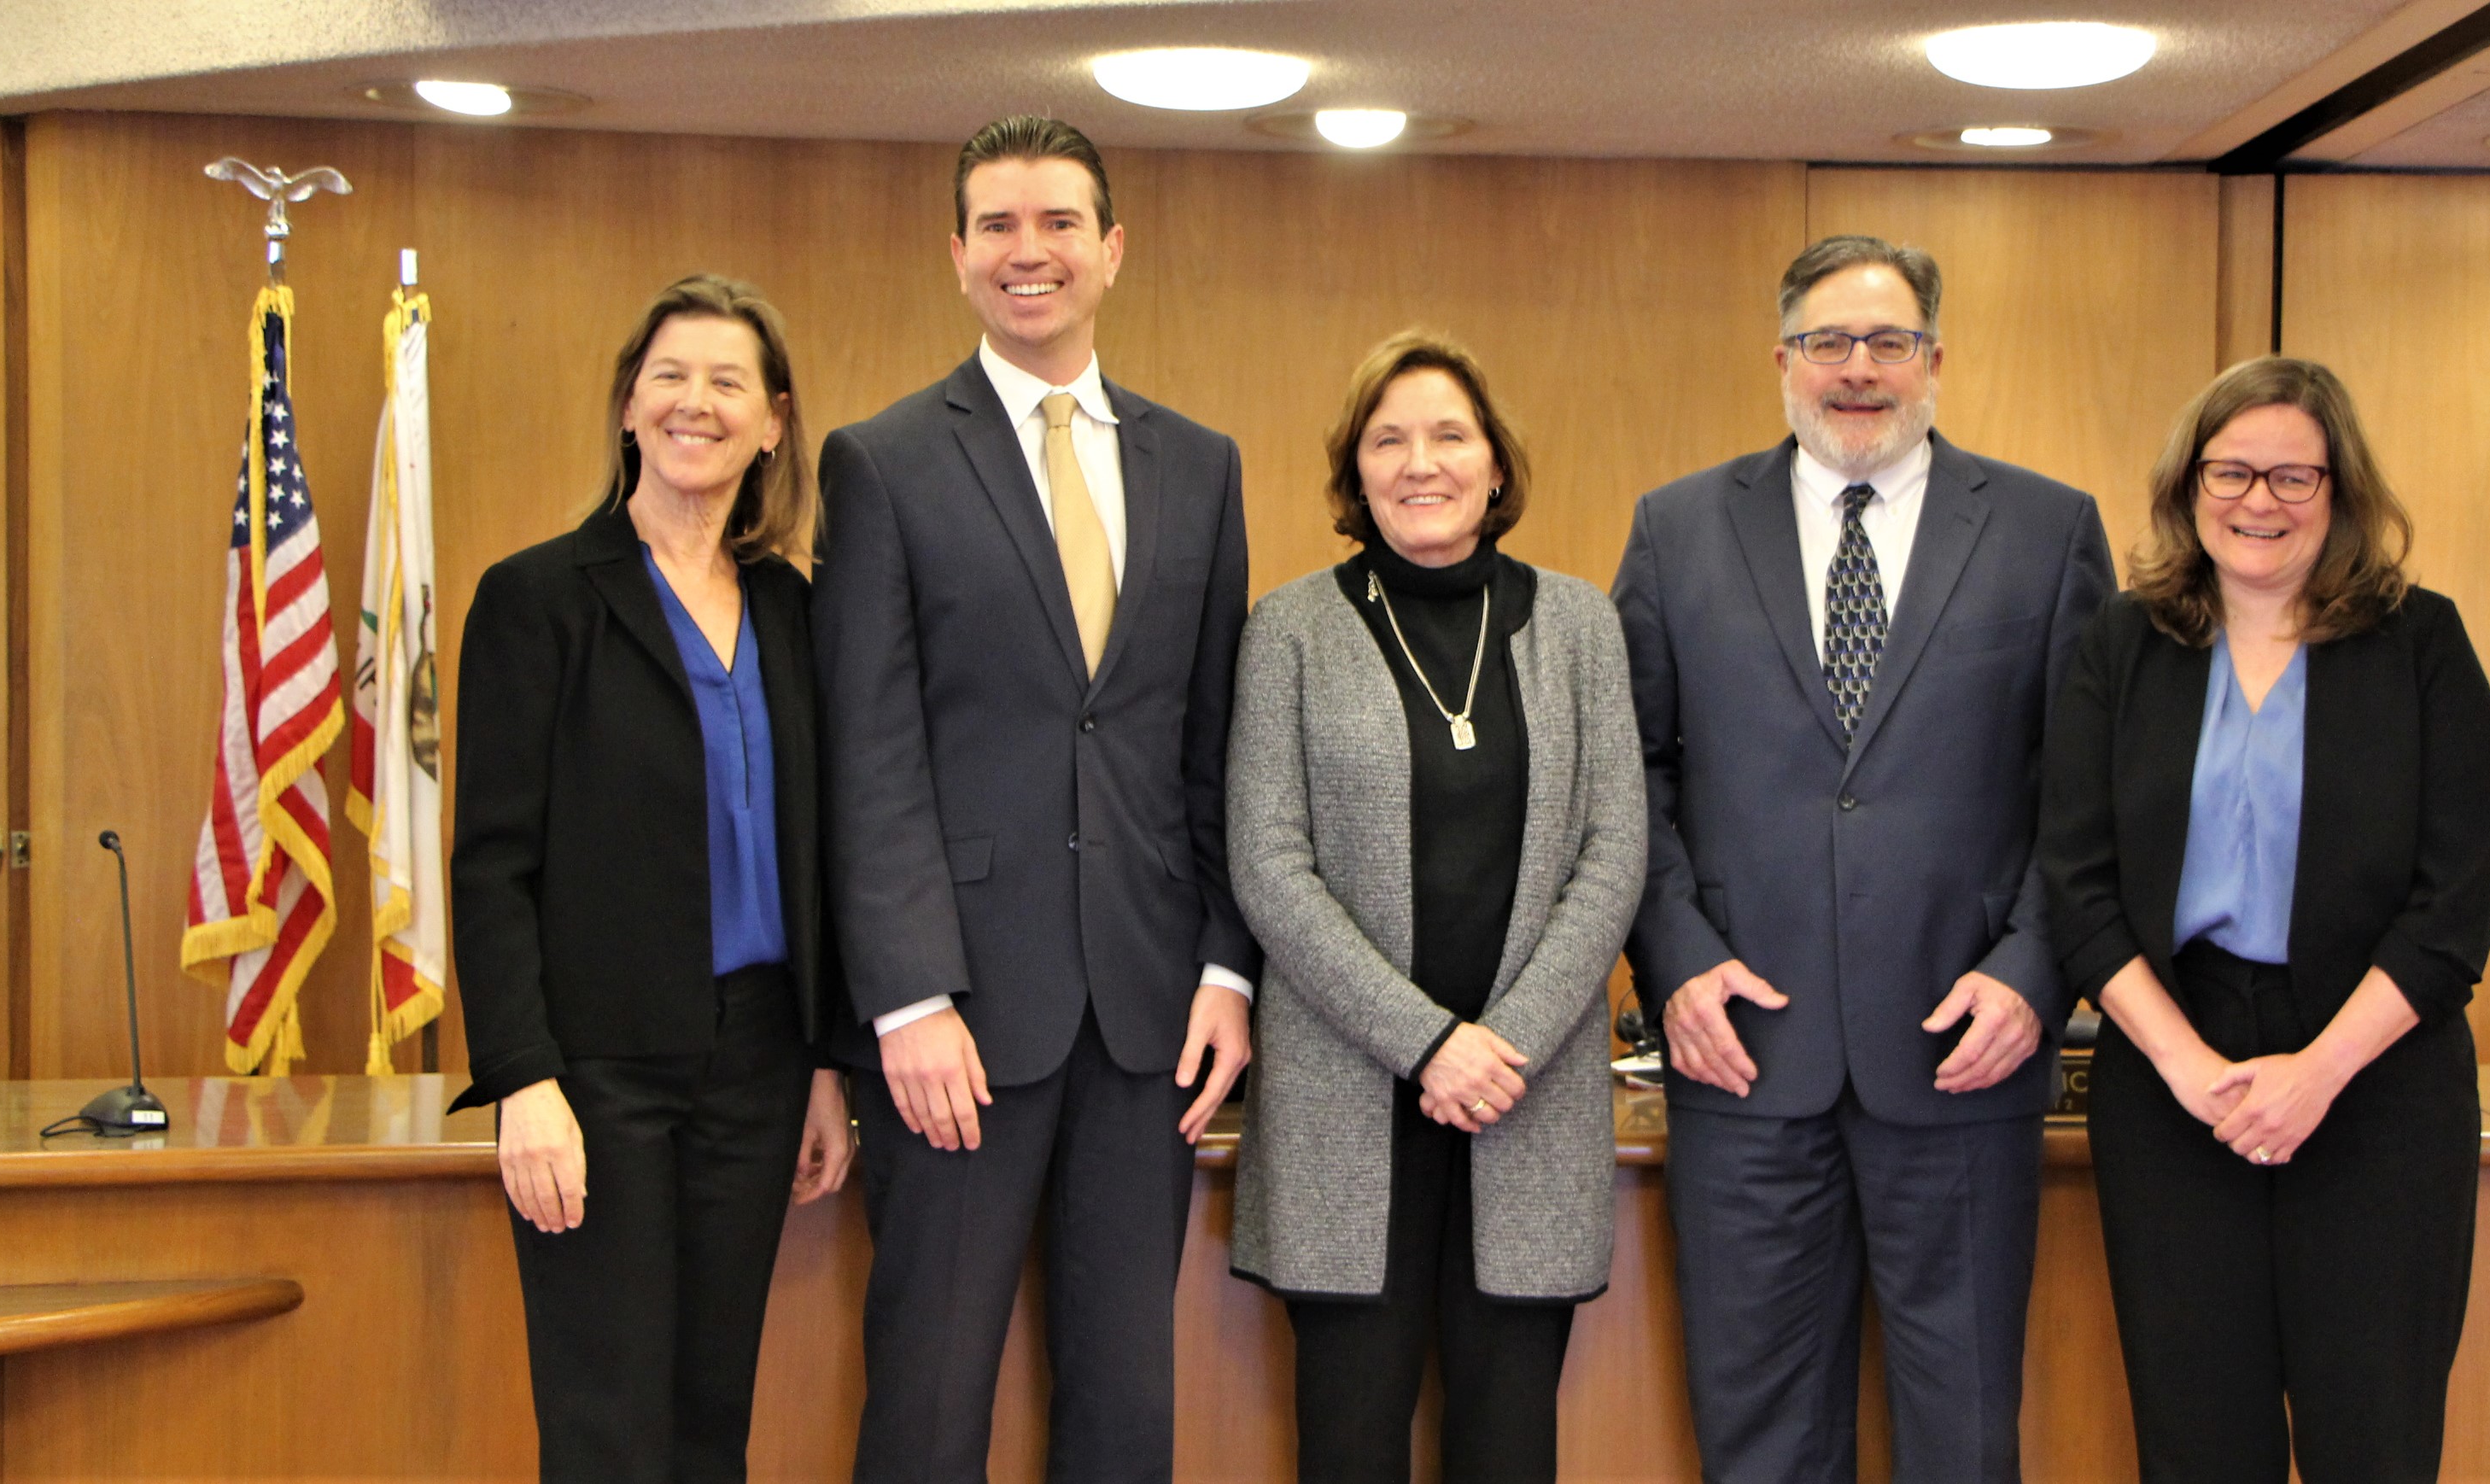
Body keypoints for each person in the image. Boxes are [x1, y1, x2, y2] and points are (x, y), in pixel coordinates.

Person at [1613, 234, 2115, 1481]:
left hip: (1964, 1049)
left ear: (1936, 360)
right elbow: (1631, 775)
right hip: (1742, 1055)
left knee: (1964, 1432)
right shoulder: (1676, 530)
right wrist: (1676, 961)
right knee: (1761, 1438)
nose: (1857, 370)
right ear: (1781, 359)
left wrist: (2035, 973)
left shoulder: (2048, 532)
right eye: (1828, 342)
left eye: (1887, 342)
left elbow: (2092, 792)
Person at [814, 115, 1257, 1484]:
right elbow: (867, 750)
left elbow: (1213, 742)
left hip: (1146, 1024)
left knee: (1126, 1406)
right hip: (955, 1028)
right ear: (957, 256)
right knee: (933, 1400)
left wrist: (1228, 969)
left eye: (1059, 222)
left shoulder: (1201, 464)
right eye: (998, 225)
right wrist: (906, 997)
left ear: (1112, 250)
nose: (1030, 251)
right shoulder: (882, 460)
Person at [2037, 356, 2490, 1482]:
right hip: (2174, 1079)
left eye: (2294, 475)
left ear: (2340, 489)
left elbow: (2453, 909)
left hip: (2376, 1083)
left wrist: (2318, 1071)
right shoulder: (2122, 644)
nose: (2260, 501)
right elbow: (2080, 885)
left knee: (2374, 1439)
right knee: (2198, 1442)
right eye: (2233, 471)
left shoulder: (2421, 645)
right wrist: (2191, 1068)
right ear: (2190, 486)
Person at [450, 272, 856, 1482]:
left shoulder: (793, 608)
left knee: (707, 1416)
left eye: (730, 381)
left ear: (775, 421)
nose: (697, 402)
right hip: (597, 1069)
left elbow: (820, 855)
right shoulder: (537, 598)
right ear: (629, 403)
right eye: (670, 375)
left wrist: (826, 1060)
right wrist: (523, 1079)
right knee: (606, 1422)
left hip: (760, 1056)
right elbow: (490, 864)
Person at [1226, 332, 1646, 1482]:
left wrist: (1498, 1045)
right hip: (1343, 1102)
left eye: (1449, 434)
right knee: (1349, 1448)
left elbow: (1613, 852)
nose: (1422, 461)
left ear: (1497, 466)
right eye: (1389, 438)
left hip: (1526, 1096)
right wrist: (1427, 1043)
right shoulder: (1290, 630)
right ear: (1355, 472)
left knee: (1509, 1449)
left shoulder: (1578, 626)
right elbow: (1269, 864)